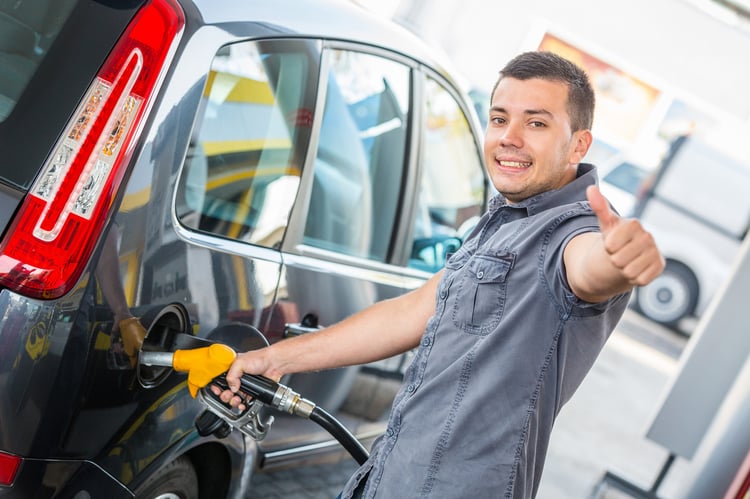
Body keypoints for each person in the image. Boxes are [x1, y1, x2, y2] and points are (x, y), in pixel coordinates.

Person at [213, 51, 665, 498]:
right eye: (499, 118)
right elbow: (408, 313)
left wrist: (618, 260)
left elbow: (589, 268)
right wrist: (276, 360)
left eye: (537, 123)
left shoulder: (574, 229)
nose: (509, 137)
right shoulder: (502, 222)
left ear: (579, 144)